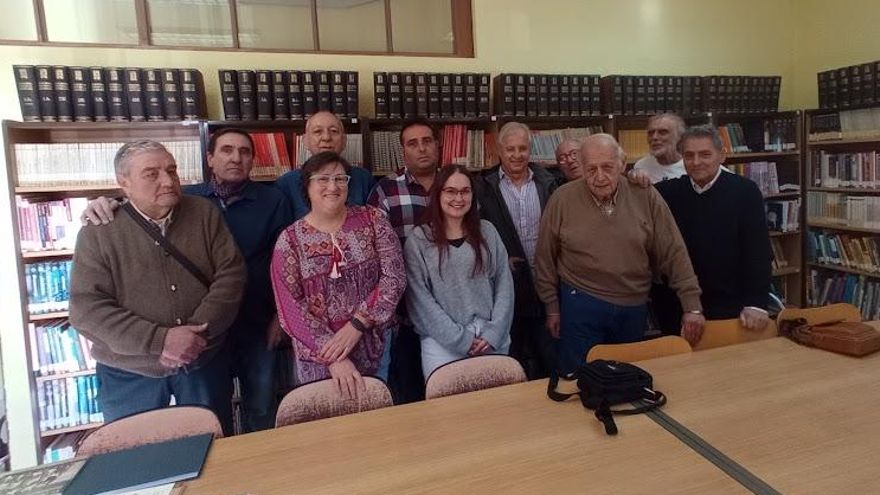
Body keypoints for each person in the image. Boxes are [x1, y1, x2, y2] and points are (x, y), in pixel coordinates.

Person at [79, 128, 294, 433]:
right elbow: (86, 308)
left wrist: (192, 338)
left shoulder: (205, 211)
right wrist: (161, 340)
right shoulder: (100, 229)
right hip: (131, 369)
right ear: (123, 183)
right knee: (135, 453)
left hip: (209, 354)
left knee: (214, 438)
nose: (167, 180)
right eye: (151, 174)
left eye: (171, 170)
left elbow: (232, 274)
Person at [535, 134, 704, 374]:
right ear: (581, 168)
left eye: (607, 167)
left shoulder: (644, 194)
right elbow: (544, 257)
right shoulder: (562, 199)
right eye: (591, 169)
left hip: (632, 304)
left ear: (622, 165)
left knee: (625, 380)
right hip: (580, 300)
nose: (600, 177)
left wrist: (692, 306)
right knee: (576, 379)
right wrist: (552, 306)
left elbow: (673, 251)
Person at [271, 152, 406, 399]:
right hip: (319, 360)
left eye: (340, 179)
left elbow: (393, 277)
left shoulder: (373, 219)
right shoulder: (289, 241)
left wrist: (358, 324)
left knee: (373, 419)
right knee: (328, 429)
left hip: (372, 346)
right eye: (323, 179)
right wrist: (334, 357)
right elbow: (290, 308)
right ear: (307, 186)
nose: (333, 187)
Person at [653, 125, 771, 334]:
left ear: (722, 155)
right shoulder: (666, 192)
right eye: (689, 156)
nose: (696, 162)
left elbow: (758, 251)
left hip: (729, 304)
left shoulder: (745, 192)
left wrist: (756, 303)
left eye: (705, 154)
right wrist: (636, 177)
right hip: (677, 306)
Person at [404, 165, 514, 378]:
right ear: (438, 194)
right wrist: (460, 339)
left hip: (490, 340)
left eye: (465, 191)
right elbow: (419, 299)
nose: (459, 198)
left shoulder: (488, 232)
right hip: (442, 345)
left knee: (498, 408)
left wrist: (494, 333)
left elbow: (504, 285)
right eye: (451, 191)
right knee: (449, 411)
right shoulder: (419, 240)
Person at [475, 121, 558, 379]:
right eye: (510, 149)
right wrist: (496, 258)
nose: (517, 155)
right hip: (508, 287)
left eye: (522, 148)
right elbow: (473, 231)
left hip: (548, 281)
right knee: (513, 360)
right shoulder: (482, 186)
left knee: (551, 356)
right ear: (499, 151)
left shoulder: (549, 182)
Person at [367, 117, 439, 403]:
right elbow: (376, 256)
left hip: (455, 307)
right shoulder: (385, 191)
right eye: (413, 143)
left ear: (437, 144)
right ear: (403, 151)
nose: (421, 149)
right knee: (412, 392)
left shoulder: (459, 183)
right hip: (406, 311)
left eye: (427, 141)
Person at [275, 111, 374, 219]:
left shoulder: (363, 178)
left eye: (334, 131)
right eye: (318, 131)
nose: (326, 137)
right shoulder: (286, 183)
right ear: (305, 141)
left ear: (344, 141)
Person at [631, 113, 687, 184]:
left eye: (662, 132)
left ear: (680, 137)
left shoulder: (690, 167)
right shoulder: (641, 166)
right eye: (650, 133)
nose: (654, 137)